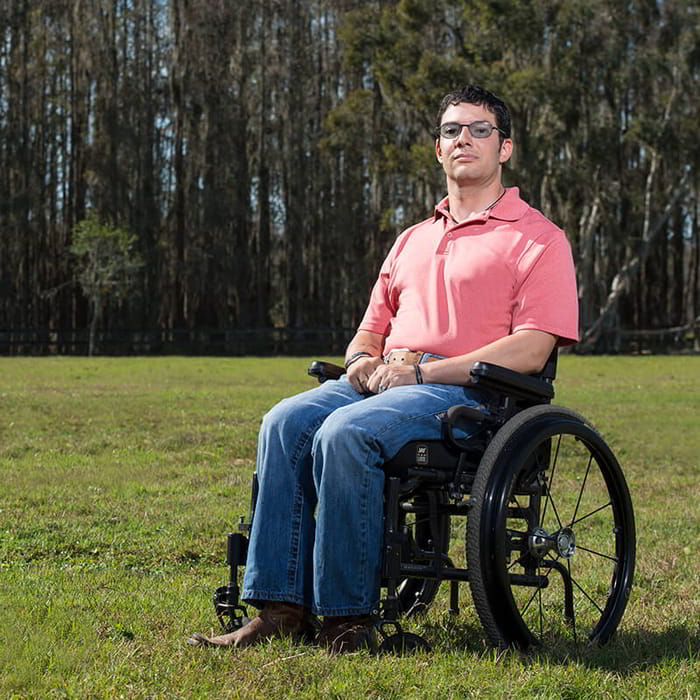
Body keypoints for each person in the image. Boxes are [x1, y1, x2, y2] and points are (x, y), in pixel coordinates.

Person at [188, 85, 579, 653]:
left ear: (506, 149)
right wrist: (361, 364)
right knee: (285, 422)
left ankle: (346, 619)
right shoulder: (412, 240)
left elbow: (531, 349)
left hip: (470, 395)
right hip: (387, 381)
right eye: (451, 131)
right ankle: (280, 608)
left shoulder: (538, 239)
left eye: (479, 129)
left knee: (348, 432)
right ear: (438, 149)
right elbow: (368, 332)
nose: (463, 139)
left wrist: (423, 375)